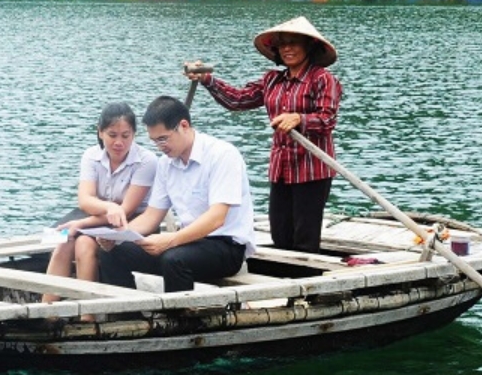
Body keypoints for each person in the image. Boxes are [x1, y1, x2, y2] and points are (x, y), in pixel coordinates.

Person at [188, 16, 342, 253]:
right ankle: (283, 281)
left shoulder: (322, 79)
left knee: (305, 237)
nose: (287, 49)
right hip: (281, 168)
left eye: (294, 43)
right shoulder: (273, 80)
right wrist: (207, 80)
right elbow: (238, 100)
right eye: (282, 44)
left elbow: (328, 119)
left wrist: (299, 119)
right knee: (280, 232)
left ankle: (304, 282)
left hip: (312, 169)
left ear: (309, 46)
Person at [97, 96, 256, 293]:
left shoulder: (222, 155)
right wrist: (119, 235)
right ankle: (128, 317)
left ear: (184, 126)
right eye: (155, 141)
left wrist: (170, 240)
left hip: (225, 246)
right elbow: (151, 216)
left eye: (163, 139)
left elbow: (217, 218)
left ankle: (179, 319)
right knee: (113, 253)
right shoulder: (165, 163)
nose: (160, 146)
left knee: (174, 259)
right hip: (187, 242)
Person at [43, 103, 157, 310]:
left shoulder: (146, 161)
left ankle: (87, 313)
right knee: (62, 240)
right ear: (100, 132)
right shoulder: (91, 155)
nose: (119, 142)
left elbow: (127, 210)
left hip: (131, 222)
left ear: (134, 134)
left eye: (125, 135)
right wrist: (108, 207)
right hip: (94, 216)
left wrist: (81, 223)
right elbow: (85, 200)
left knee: (83, 243)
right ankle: (46, 309)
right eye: (112, 135)